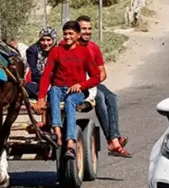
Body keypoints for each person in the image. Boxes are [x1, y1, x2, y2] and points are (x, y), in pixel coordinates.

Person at [35, 21, 101, 159]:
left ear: (78, 35)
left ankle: (70, 142)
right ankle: (57, 131)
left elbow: (96, 76)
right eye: (65, 34)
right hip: (59, 88)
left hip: (78, 91)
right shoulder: (56, 51)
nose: (67, 36)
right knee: (53, 91)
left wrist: (82, 85)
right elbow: (47, 74)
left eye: (71, 33)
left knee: (70, 101)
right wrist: (41, 97)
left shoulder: (84, 52)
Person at [76, 15, 131, 158]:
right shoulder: (69, 45)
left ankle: (115, 137)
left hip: (91, 82)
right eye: (83, 29)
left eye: (89, 29)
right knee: (99, 97)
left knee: (111, 97)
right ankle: (112, 141)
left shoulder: (94, 47)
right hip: (75, 83)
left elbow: (102, 73)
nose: (87, 32)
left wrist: (91, 83)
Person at [25, 26, 58, 98]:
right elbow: (33, 72)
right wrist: (46, 81)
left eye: (49, 40)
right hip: (38, 81)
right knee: (27, 88)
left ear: (54, 40)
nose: (46, 43)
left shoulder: (59, 50)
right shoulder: (32, 51)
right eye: (43, 40)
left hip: (56, 82)